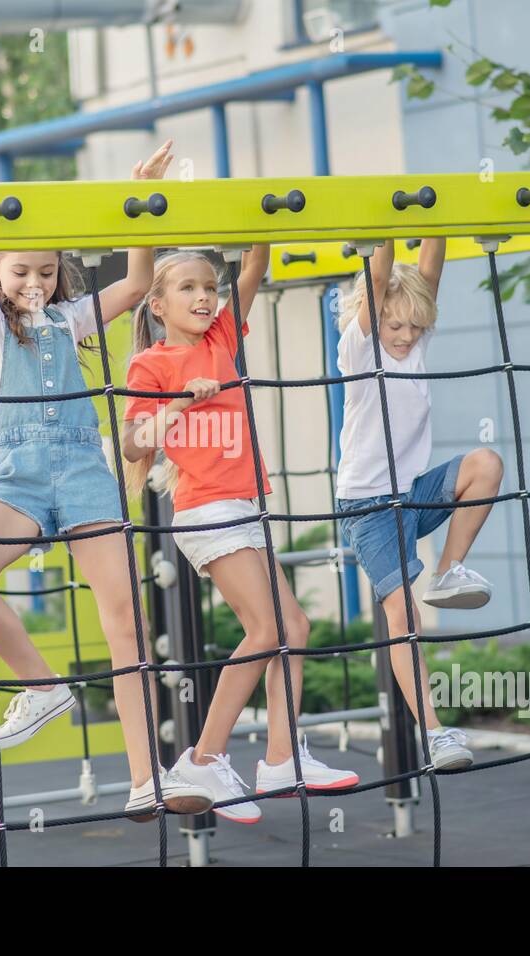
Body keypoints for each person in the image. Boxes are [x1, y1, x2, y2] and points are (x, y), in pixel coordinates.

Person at [0, 140, 212, 821]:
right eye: (20, 272)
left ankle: (144, 777)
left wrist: (137, 199)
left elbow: (133, 287)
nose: (34, 282)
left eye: (45, 270)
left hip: (83, 472)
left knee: (125, 621)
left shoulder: (69, 320)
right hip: (16, 474)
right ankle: (41, 686)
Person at [122, 248, 359, 825]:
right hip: (204, 509)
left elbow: (253, 268)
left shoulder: (222, 339)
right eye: (188, 289)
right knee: (267, 627)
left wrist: (253, 230)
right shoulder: (151, 365)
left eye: (209, 287)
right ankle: (204, 759)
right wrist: (182, 400)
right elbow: (134, 443)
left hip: (244, 505)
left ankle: (281, 757)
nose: (205, 297)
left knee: (292, 627)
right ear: (157, 305)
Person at [334, 238, 505, 770]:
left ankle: (449, 570)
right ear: (375, 317)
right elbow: (381, 279)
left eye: (415, 328)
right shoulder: (359, 349)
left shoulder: (416, 341)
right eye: (396, 327)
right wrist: (384, 227)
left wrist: (432, 221)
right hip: (369, 506)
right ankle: (434, 733)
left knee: (486, 465)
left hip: (413, 494)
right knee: (403, 614)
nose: (407, 337)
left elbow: (430, 269)